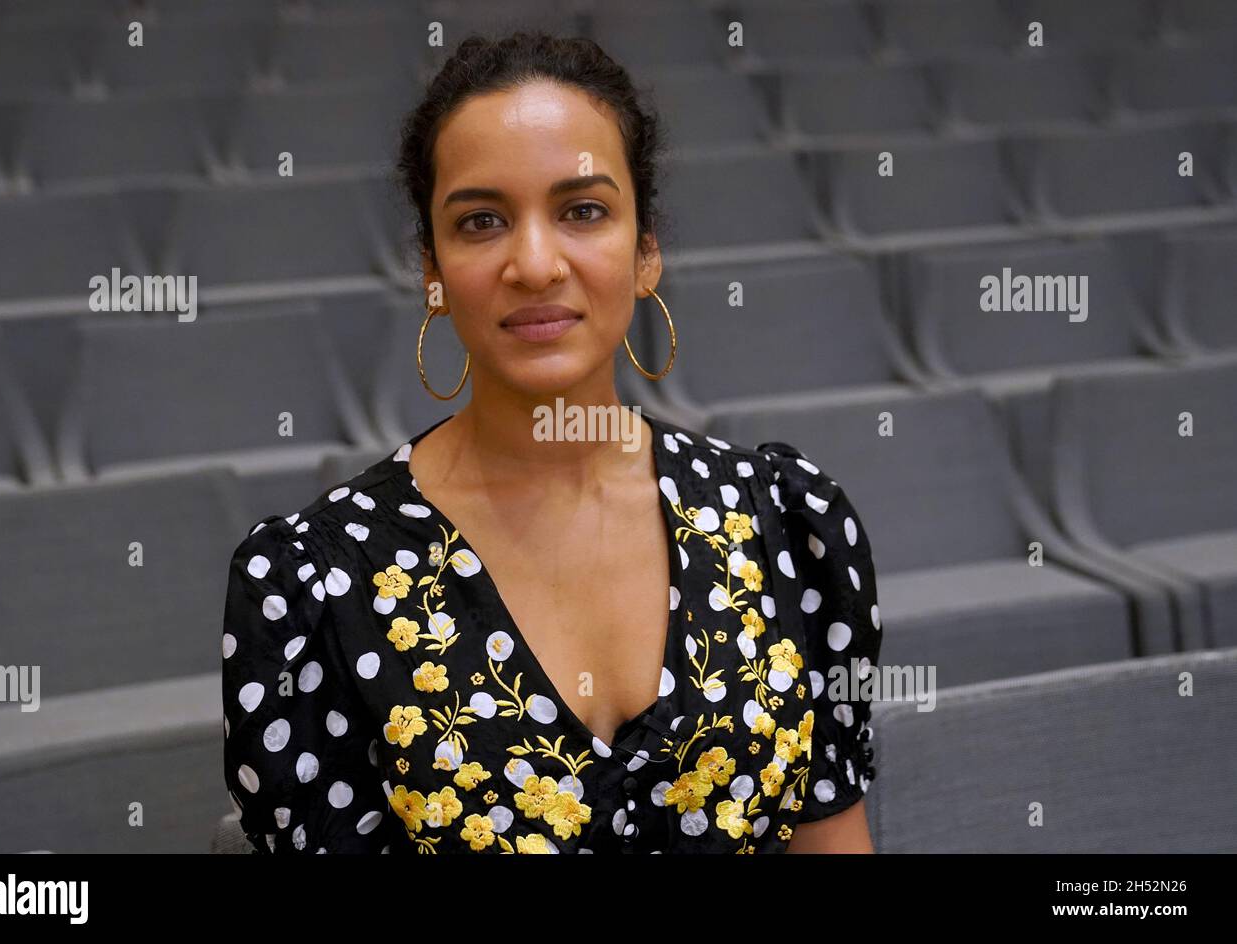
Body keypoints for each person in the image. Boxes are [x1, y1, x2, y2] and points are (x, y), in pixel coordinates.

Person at [221, 31, 881, 854]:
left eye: (582, 211)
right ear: (432, 269)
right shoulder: (316, 585)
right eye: (482, 222)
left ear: (646, 252)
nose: (534, 264)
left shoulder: (787, 523)